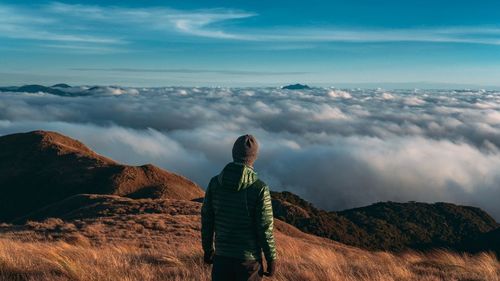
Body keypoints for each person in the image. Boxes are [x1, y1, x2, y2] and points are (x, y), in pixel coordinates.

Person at [201, 134, 277, 281]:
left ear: (233, 153)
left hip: (221, 259)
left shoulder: (215, 183)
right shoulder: (260, 188)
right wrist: (271, 258)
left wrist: (208, 250)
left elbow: (207, 219)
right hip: (249, 263)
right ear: (254, 157)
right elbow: (264, 228)